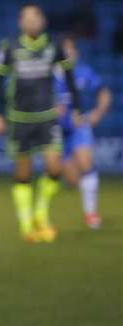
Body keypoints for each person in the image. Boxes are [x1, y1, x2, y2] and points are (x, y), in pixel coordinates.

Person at [0, 5, 82, 243]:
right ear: (21, 23)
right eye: (27, 18)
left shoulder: (54, 45)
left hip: (47, 116)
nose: (32, 21)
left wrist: (78, 108)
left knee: (54, 167)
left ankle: (41, 213)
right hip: (20, 119)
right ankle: (26, 223)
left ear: (43, 21)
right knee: (23, 172)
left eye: (36, 17)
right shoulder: (8, 47)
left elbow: (70, 76)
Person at [56, 36, 110, 230]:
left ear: (76, 53)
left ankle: (91, 214)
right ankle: (76, 184)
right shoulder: (48, 76)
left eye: (71, 50)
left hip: (79, 126)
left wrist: (98, 112)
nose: (68, 54)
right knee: (71, 179)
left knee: (85, 162)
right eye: (65, 50)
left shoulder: (84, 72)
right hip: (56, 131)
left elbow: (104, 92)